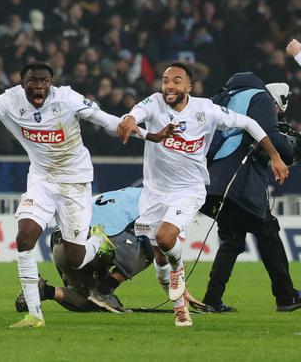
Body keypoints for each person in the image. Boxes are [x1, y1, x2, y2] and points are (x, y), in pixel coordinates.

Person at [0, 61, 170, 328]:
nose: (39, 86)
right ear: (23, 83)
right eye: (33, 81)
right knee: (25, 234)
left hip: (74, 182)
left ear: (51, 84)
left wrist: (148, 135)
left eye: (44, 81)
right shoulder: (10, 101)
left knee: (76, 258)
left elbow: (108, 121)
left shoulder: (67, 98)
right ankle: (34, 315)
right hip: (42, 179)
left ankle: (98, 242)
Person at [117, 62, 290, 327]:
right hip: (155, 193)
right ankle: (177, 289)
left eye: (176, 80)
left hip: (190, 189)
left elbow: (250, 123)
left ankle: (178, 277)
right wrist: (130, 120)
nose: (169, 85)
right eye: (165, 80)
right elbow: (135, 114)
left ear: (189, 86)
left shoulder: (206, 110)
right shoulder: (154, 103)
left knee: (165, 237)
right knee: (159, 255)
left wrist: (275, 156)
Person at [198, 72, 301, 313]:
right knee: (267, 231)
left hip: (211, 182)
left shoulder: (219, 100)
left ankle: (212, 298)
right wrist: (289, 151)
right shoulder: (259, 98)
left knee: (232, 240)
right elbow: (270, 135)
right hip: (239, 183)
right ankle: (286, 297)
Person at [14, 187, 204, 314]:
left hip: (62, 244)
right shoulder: (162, 205)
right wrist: (177, 292)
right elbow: (160, 254)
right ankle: (105, 289)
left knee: (89, 302)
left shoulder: (129, 194)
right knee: (149, 248)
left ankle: (44, 290)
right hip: (91, 240)